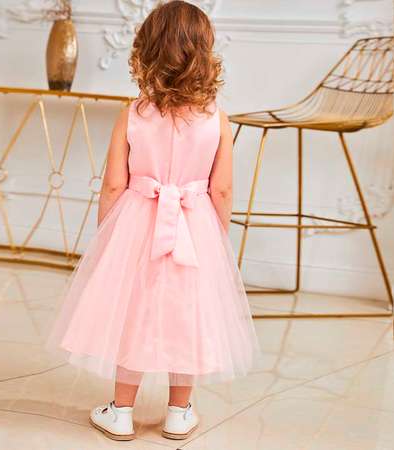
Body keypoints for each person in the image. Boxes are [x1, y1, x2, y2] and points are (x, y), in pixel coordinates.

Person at [45, 0, 260, 442]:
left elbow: (112, 184)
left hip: (137, 226)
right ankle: (179, 412)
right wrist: (216, 236)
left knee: (133, 314)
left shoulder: (132, 114)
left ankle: (121, 412)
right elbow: (221, 189)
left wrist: (108, 236)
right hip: (194, 228)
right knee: (189, 314)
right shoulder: (217, 120)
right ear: (204, 54)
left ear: (146, 52)